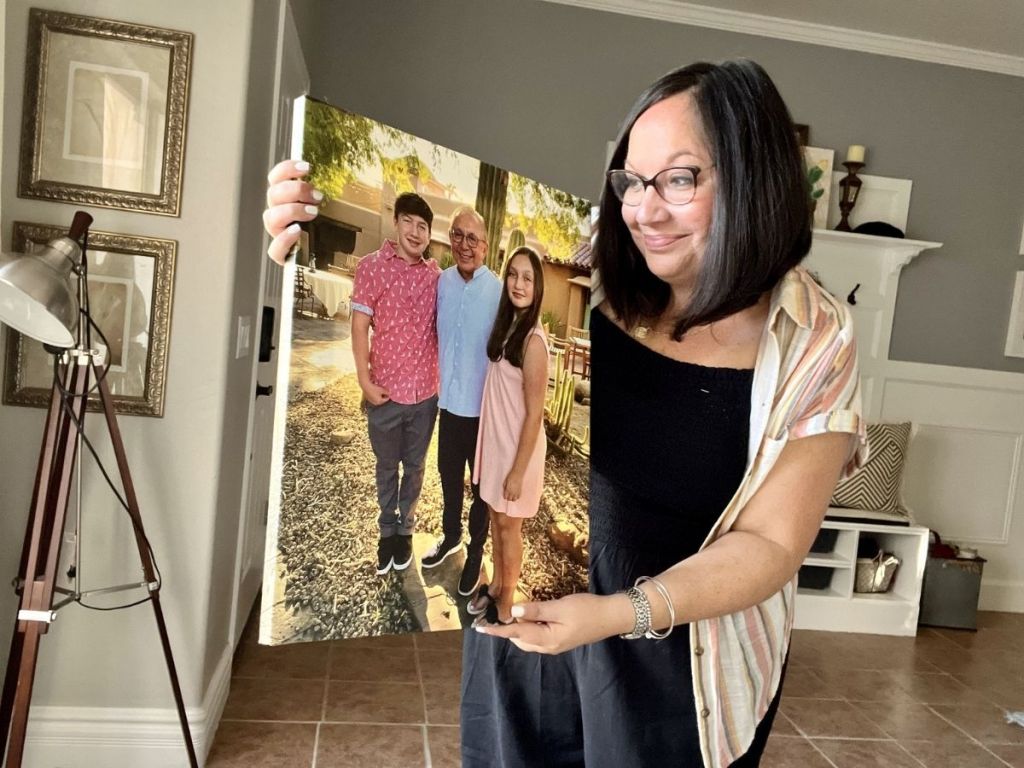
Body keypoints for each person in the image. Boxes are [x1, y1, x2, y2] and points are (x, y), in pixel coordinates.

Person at [464, 59, 867, 768]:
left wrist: (620, 614)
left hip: (682, 668)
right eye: (631, 179)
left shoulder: (814, 334)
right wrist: (287, 243)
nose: (644, 210)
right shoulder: (594, 272)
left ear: (753, 183)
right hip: (532, 626)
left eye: (679, 179)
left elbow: (772, 545)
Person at [264, 184, 441, 576]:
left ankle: (405, 531)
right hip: (385, 393)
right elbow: (359, 327)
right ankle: (385, 532)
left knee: (414, 468)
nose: (415, 232)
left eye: (423, 226)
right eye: (408, 222)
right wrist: (363, 380)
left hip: (425, 396)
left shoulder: (436, 277)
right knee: (385, 466)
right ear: (395, 224)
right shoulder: (372, 268)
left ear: (429, 234)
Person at [420, 207, 503, 600]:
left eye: (473, 238)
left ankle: (475, 551)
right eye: (458, 235)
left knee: (481, 491)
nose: (465, 245)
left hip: (483, 414)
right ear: (449, 238)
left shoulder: (500, 291)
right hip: (449, 406)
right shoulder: (442, 282)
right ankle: (450, 536)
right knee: (448, 478)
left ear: (486, 246)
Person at [465, 246, 548, 626]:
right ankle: (498, 585)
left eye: (527, 277)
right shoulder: (508, 327)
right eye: (513, 274)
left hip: (519, 452)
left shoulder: (533, 341)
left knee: (509, 527)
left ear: (537, 287)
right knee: (496, 521)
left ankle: (506, 604)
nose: (518, 283)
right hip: (497, 446)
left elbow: (534, 415)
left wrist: (517, 471)